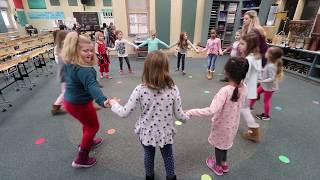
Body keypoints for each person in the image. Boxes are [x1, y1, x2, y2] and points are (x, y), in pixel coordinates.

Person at [109, 51, 189, 180]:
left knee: (148, 155)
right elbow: (179, 115)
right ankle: (171, 177)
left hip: (146, 131)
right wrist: (187, 117)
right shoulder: (173, 89)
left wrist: (113, 103)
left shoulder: (140, 89)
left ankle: (149, 176)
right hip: (165, 132)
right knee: (168, 156)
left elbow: (124, 112)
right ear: (166, 68)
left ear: (146, 69)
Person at [186, 57, 249, 176]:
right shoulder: (244, 87)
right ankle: (224, 163)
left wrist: (191, 111)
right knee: (225, 144)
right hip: (233, 124)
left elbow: (211, 110)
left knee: (219, 146)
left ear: (227, 72)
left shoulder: (225, 91)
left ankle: (218, 166)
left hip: (222, 125)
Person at [61, 32, 110, 168]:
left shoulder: (71, 63)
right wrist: (102, 100)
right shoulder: (85, 70)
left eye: (90, 50)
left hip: (71, 101)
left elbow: (83, 82)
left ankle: (88, 141)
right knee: (93, 126)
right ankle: (81, 158)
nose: (89, 53)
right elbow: (91, 85)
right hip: (79, 104)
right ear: (75, 51)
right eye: (85, 51)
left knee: (87, 124)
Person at [238, 32, 262, 142]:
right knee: (243, 108)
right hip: (252, 89)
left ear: (250, 45)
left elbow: (245, 77)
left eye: (242, 44)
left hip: (246, 89)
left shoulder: (248, 59)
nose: (239, 45)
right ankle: (252, 131)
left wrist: (238, 87)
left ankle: (253, 132)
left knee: (245, 109)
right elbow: (259, 74)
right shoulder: (256, 57)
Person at [250, 47, 284, 121]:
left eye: (267, 52)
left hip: (269, 87)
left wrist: (261, 81)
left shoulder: (272, 66)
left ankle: (266, 116)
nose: (265, 53)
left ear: (270, 55)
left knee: (266, 100)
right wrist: (261, 70)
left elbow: (272, 78)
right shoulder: (270, 63)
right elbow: (266, 71)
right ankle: (250, 107)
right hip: (265, 85)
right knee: (255, 93)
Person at [51, 30, 69, 115]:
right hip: (65, 73)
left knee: (65, 91)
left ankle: (61, 106)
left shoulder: (61, 48)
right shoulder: (62, 50)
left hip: (64, 73)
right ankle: (56, 106)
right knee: (65, 91)